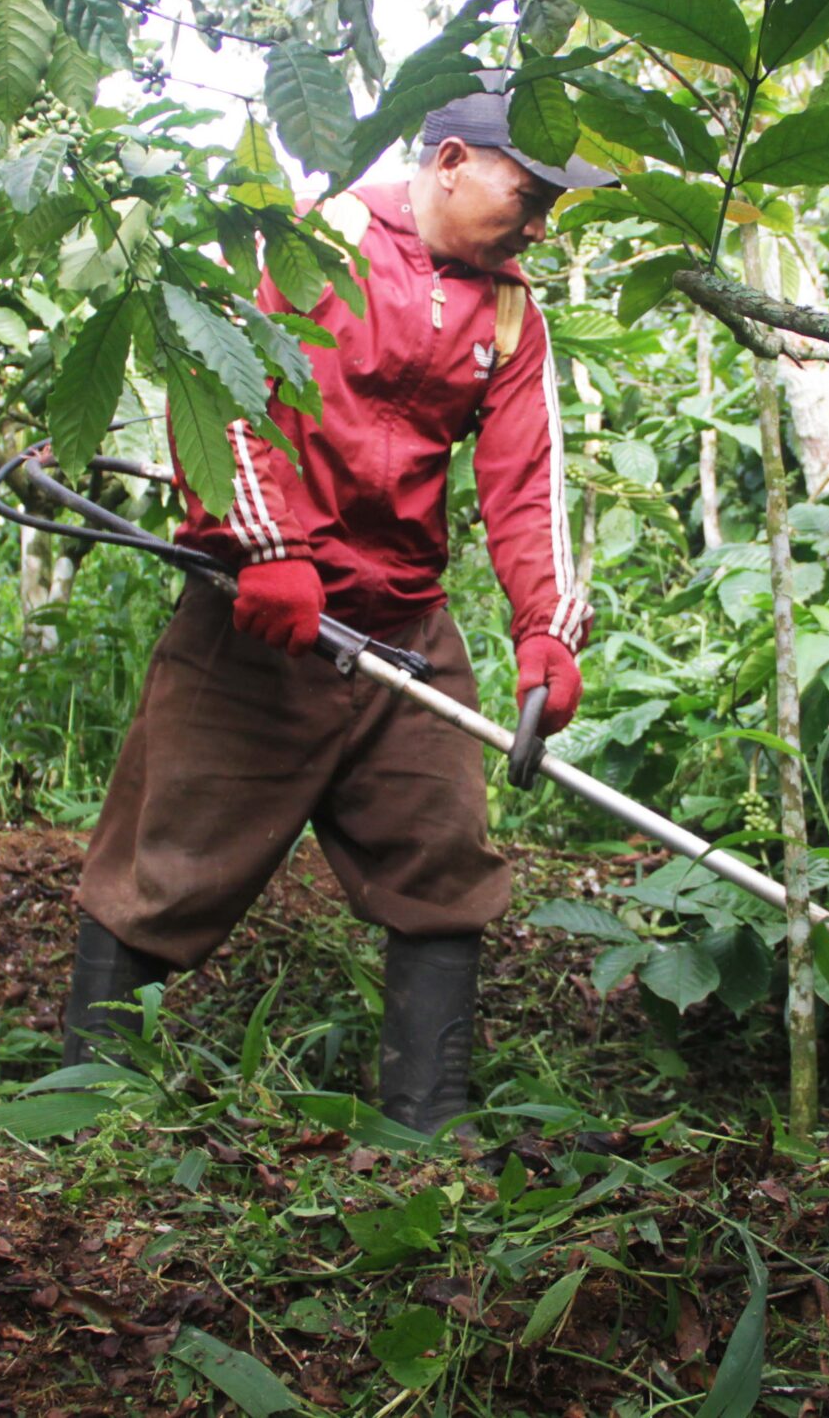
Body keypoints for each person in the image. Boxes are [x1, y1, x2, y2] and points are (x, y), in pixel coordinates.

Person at [59, 71, 615, 1136]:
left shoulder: (507, 314)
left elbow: (525, 477)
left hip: (402, 625)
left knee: (444, 861)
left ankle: (424, 1132)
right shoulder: (308, 244)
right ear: (451, 162)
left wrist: (546, 630)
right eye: (528, 195)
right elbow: (216, 387)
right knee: (161, 862)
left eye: (550, 208)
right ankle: (83, 1118)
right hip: (261, 618)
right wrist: (263, 548)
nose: (537, 228)